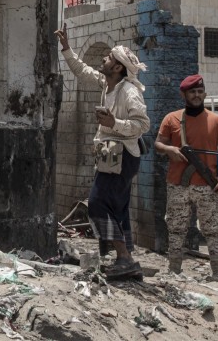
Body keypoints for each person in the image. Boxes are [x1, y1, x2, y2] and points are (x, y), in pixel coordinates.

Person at [55, 24, 150, 276]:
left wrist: (113, 123)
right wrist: (66, 48)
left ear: (118, 67)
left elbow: (143, 124)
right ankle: (125, 260)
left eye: (108, 58)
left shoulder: (129, 92)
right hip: (111, 156)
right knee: (117, 206)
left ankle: (125, 258)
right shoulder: (107, 84)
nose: (103, 59)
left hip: (124, 157)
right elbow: (82, 70)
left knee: (97, 204)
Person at [154, 74, 218, 281]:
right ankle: (174, 271)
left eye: (200, 91)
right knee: (175, 228)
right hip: (177, 184)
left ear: (205, 93)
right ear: (184, 94)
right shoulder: (171, 119)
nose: (197, 95)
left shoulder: (216, 120)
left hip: (207, 186)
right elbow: (158, 144)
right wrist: (170, 149)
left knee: (212, 229)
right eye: (192, 92)